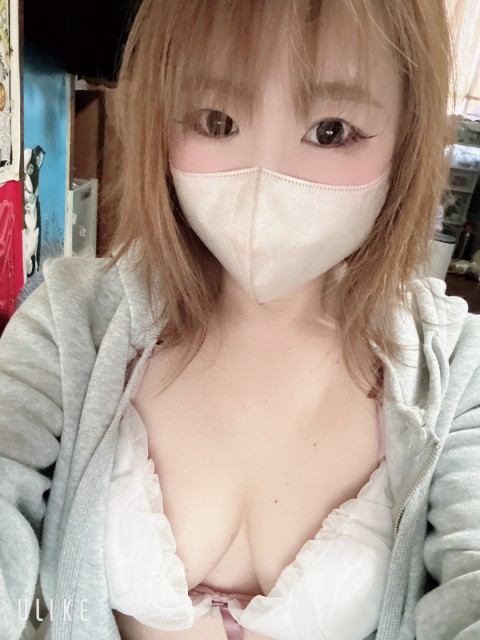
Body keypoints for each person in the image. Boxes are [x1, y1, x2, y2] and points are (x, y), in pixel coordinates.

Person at [1, 1, 480, 639]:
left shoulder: (456, 373)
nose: (265, 179)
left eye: (331, 130)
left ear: (408, 136)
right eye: (216, 121)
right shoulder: (68, 326)